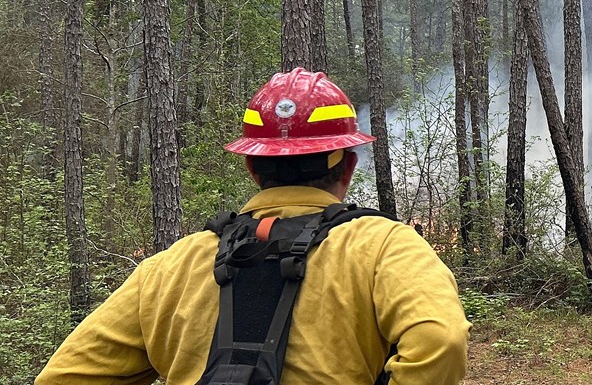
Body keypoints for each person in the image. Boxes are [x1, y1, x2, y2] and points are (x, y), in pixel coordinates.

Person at [36, 68, 470, 384]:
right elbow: (442, 341)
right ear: (349, 165)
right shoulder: (386, 247)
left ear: (252, 167)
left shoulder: (172, 265)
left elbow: (65, 376)